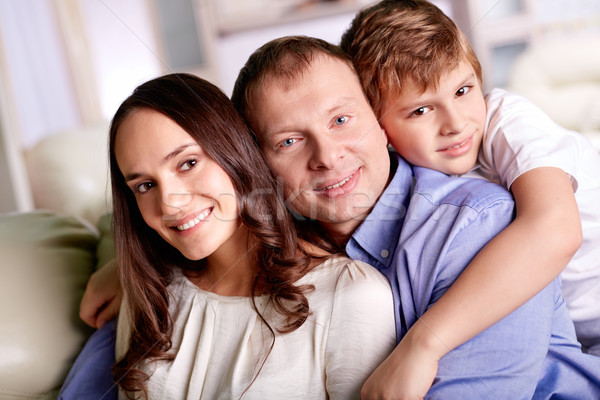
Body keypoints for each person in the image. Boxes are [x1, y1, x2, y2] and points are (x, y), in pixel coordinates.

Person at [76, 37, 600, 399]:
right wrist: (127, 259)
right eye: (289, 141)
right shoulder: (277, 222)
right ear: (255, 160)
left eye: (342, 119)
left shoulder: (474, 224)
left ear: (380, 118)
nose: (327, 156)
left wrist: (425, 343)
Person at [59, 73, 396, 399]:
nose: (169, 202)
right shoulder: (148, 296)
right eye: (145, 185)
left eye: (188, 163)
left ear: (235, 151)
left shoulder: (351, 297)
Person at [340, 0, 600, 395]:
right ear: (378, 127)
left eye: (463, 90)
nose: (456, 123)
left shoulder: (506, 122)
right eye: (421, 110)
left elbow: (556, 231)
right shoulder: (410, 181)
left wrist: (422, 345)